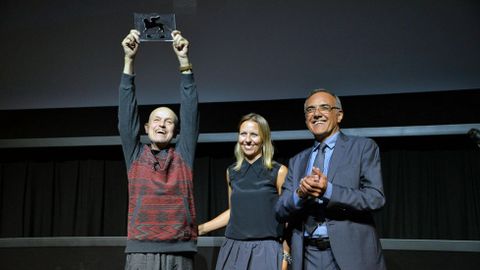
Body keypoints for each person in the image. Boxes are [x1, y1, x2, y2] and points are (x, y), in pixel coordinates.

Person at [275, 89, 386, 270]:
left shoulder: (363, 148)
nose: (316, 114)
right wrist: (299, 194)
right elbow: (279, 210)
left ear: (339, 115)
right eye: (310, 110)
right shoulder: (297, 161)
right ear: (305, 119)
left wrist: (329, 190)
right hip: (308, 255)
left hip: (352, 254)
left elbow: (375, 198)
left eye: (324, 108)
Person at [118, 29, 199, 270]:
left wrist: (184, 62)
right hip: (140, 250)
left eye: (168, 121)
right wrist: (129, 60)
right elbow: (126, 115)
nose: (162, 124)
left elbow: (190, 110)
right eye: (156, 120)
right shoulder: (135, 156)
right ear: (146, 126)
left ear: (176, 130)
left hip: (179, 251)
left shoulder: (182, 156)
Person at [198, 113, 291, 270]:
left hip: (266, 250)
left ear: (264, 139)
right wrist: (200, 229)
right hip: (233, 249)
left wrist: (285, 256)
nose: (247, 140)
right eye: (243, 134)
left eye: (254, 134)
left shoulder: (279, 171)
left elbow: (289, 219)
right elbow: (234, 212)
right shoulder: (232, 172)